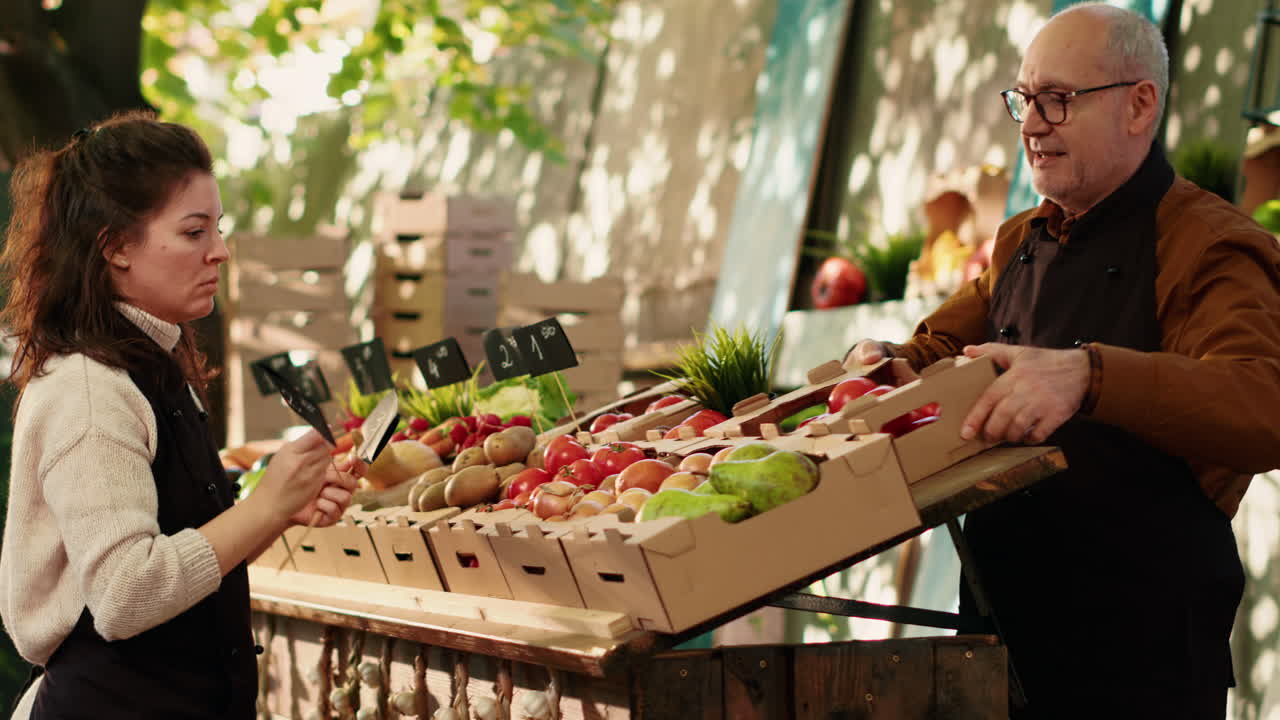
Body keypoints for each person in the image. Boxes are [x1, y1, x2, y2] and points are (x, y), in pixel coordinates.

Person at [848, 4, 1280, 717]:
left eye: (1058, 100)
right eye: (1023, 100)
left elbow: (1261, 401)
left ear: (1141, 105)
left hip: (1139, 658)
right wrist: (889, 364)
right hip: (1000, 635)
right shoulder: (1022, 236)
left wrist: (1088, 374)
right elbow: (942, 348)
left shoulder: (1210, 244)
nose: (1031, 124)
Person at [0, 111, 362, 719]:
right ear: (114, 246)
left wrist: (276, 513)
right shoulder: (91, 390)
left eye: (217, 228)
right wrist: (263, 505)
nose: (220, 252)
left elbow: (176, 553)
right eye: (194, 232)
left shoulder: (151, 362)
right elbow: (125, 593)